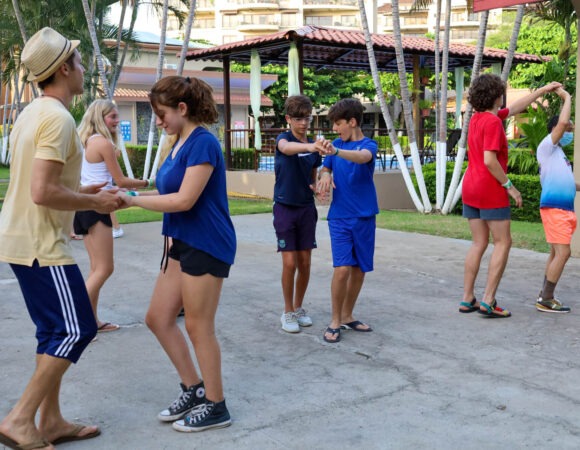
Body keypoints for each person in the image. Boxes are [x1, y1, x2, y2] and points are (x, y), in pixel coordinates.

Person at [0, 27, 121, 450]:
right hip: (40, 244)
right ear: (65, 69)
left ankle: (49, 421)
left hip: (21, 238)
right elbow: (42, 191)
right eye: (79, 60)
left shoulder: (33, 113)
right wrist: (98, 206)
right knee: (76, 329)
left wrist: (88, 195)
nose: (84, 68)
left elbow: (45, 183)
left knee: (52, 332)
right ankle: (19, 418)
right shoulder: (57, 117)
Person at [120, 75, 236, 432]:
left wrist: (132, 200)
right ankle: (194, 388)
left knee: (200, 326)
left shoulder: (202, 143)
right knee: (158, 317)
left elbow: (185, 199)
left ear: (182, 109)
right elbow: (168, 193)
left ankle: (217, 406)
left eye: (161, 113)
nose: (158, 121)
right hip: (179, 242)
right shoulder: (179, 142)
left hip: (206, 242)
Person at [459, 74, 561, 318]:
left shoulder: (477, 119)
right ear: (496, 95)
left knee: (478, 243)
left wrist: (543, 90)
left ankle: (467, 298)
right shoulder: (493, 123)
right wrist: (510, 186)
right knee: (503, 242)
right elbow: (489, 160)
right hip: (490, 188)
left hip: (470, 186)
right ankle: (488, 300)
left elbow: (515, 108)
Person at [73, 99, 150, 333]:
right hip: (97, 208)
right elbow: (121, 181)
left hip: (84, 206)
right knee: (105, 269)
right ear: (100, 117)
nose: (117, 121)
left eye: (117, 117)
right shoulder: (103, 143)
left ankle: (92, 322)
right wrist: (147, 182)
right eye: (113, 117)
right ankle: (75, 321)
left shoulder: (86, 141)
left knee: (96, 268)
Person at [315, 98, 378, 344]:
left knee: (359, 269)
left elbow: (362, 157)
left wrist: (337, 152)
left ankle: (347, 315)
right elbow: (326, 167)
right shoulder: (336, 146)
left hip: (364, 216)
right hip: (339, 216)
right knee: (342, 268)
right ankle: (334, 320)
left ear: (352, 122)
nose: (335, 129)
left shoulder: (368, 145)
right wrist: (325, 175)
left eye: (338, 124)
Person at [274, 95, 322, 333]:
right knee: (289, 262)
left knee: (304, 262)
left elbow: (313, 177)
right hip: (284, 208)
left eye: (307, 117)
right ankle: (287, 311)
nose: (303, 123)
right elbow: (287, 149)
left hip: (306, 209)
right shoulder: (284, 139)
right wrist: (310, 145)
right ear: (288, 119)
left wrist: (317, 188)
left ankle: (299, 307)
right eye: (298, 118)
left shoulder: (314, 149)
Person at [535, 87, 578, 313]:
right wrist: (567, 97)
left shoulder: (559, 154)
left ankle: (545, 294)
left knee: (555, 253)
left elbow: (565, 182)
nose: (570, 130)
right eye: (568, 128)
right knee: (564, 253)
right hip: (556, 209)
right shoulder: (547, 147)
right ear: (556, 129)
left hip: (564, 209)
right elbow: (561, 124)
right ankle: (546, 299)